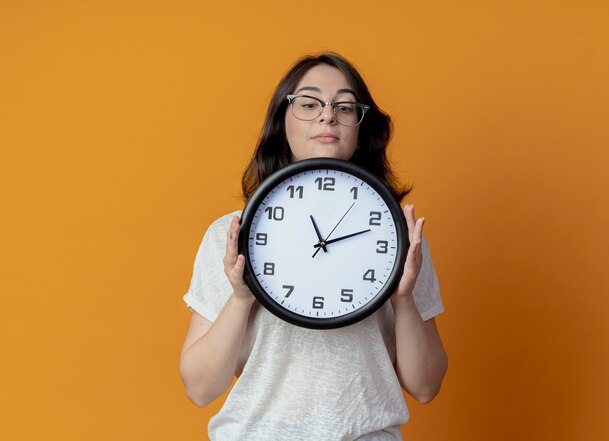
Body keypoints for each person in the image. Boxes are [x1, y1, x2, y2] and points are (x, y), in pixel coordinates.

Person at [179, 52, 448, 441]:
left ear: (360, 129)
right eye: (309, 103)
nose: (327, 116)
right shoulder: (231, 233)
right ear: (282, 122)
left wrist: (403, 299)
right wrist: (241, 297)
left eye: (344, 105)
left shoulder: (399, 236)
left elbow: (426, 386)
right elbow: (200, 389)